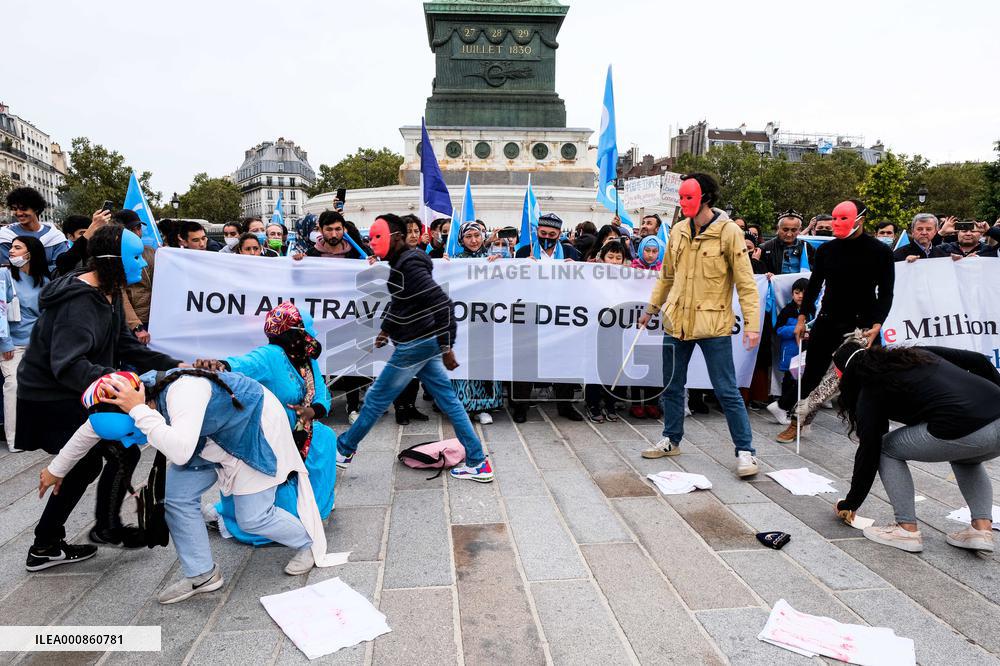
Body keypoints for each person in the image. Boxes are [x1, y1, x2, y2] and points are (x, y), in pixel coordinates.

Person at [38, 368, 342, 602]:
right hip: (206, 439)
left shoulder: (182, 392)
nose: (130, 441)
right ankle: (202, 575)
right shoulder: (125, 402)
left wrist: (138, 412)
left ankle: (308, 542)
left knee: (253, 518)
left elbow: (181, 451)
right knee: (176, 496)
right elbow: (89, 431)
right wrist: (55, 470)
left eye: (131, 432)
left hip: (252, 430)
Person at [17, 225, 183, 567]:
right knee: (94, 459)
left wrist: (175, 365)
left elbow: (124, 345)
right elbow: (67, 363)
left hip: (79, 388)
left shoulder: (110, 292)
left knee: (116, 455)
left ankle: (78, 534)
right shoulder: (78, 302)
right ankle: (55, 541)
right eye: (136, 257)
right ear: (114, 261)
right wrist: (118, 381)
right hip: (50, 395)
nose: (143, 263)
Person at [334, 214, 494, 482]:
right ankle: (477, 461)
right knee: (449, 400)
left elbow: (442, 303)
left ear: (396, 237)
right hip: (423, 341)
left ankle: (343, 449)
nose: (372, 242)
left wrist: (447, 346)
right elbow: (403, 302)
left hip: (416, 344)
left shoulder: (409, 266)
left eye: (378, 236)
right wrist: (386, 329)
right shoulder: (402, 263)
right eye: (371, 238)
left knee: (376, 398)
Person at [638, 173, 762, 479]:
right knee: (671, 385)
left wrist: (752, 324)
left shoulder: (729, 232)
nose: (682, 202)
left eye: (688, 197)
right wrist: (651, 309)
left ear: (705, 197)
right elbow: (666, 276)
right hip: (676, 321)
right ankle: (671, 439)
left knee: (726, 390)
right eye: (681, 197)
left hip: (713, 323)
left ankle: (745, 451)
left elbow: (746, 282)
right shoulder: (678, 230)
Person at [831, 342, 1000, 553]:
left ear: (846, 377)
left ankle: (906, 529)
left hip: (964, 425)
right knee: (965, 457)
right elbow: (979, 360)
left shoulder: (871, 389)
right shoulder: (916, 354)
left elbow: (869, 451)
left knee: (885, 448)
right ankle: (982, 529)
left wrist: (850, 504)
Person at [193, 302, 337, 541]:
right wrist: (220, 365)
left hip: (301, 427)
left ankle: (317, 505)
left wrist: (311, 411)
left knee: (325, 438)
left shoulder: (306, 358)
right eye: (307, 330)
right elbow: (242, 364)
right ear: (293, 333)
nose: (312, 336)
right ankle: (276, 519)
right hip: (271, 430)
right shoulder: (270, 356)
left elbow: (322, 395)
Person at [783, 199, 895, 444]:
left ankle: (870, 427)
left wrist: (877, 324)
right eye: (834, 218)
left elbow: (886, 293)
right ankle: (798, 422)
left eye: (842, 218)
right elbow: (814, 286)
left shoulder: (881, 252)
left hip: (863, 325)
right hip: (828, 319)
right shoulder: (827, 250)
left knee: (867, 377)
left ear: (860, 220)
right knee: (812, 373)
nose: (836, 223)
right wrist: (802, 318)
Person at [448, 222, 504, 425]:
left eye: (477, 235)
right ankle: (461, 407)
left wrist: (502, 264)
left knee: (484, 364)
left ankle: (483, 407)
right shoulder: (455, 261)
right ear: (461, 240)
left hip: (486, 321)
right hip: (461, 323)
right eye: (468, 236)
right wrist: (444, 266)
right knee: (462, 364)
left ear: (483, 236)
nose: (473, 240)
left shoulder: (493, 258)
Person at [1, 236, 51, 451]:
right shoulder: (4, 275)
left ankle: (40, 433)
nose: (11, 251)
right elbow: (0, 311)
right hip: (12, 346)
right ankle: (14, 439)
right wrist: (5, 343)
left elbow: (48, 317)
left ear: (30, 253)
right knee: (13, 385)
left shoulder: (44, 281)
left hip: (38, 346)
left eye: (17, 247)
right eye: (11, 247)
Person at [766, 278, 810, 426]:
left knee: (803, 381)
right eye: (797, 293)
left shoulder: (812, 311)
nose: (800, 296)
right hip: (790, 352)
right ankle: (784, 409)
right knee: (789, 380)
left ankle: (797, 409)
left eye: (804, 293)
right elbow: (778, 330)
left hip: (806, 352)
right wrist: (795, 329)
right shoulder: (787, 310)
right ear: (792, 294)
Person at [3, 187, 70, 272]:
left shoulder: (55, 236)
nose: (19, 213)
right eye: (15, 209)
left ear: (36, 209)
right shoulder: (6, 236)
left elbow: (61, 267)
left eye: (24, 208)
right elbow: (6, 268)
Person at [116, 210, 157, 340]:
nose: (138, 233)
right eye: (131, 230)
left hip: (156, 319)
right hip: (133, 325)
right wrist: (136, 325)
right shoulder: (114, 258)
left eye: (139, 228)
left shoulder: (151, 252)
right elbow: (119, 294)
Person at [758, 210, 815, 276]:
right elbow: (757, 273)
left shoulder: (807, 247)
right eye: (785, 230)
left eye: (793, 230)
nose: (789, 234)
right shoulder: (765, 248)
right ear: (778, 228)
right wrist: (766, 274)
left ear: (799, 230)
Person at [514, 213, 582, 261]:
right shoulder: (523, 252)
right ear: (537, 231)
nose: (547, 237)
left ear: (559, 234)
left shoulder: (570, 252)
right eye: (543, 233)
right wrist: (523, 264)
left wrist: (574, 267)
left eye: (552, 234)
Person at [930, 220, 997, 259]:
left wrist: (990, 230)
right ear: (957, 233)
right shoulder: (944, 249)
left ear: (981, 234)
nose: (968, 234)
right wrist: (941, 232)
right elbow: (926, 249)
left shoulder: (990, 250)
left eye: (973, 231)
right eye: (964, 231)